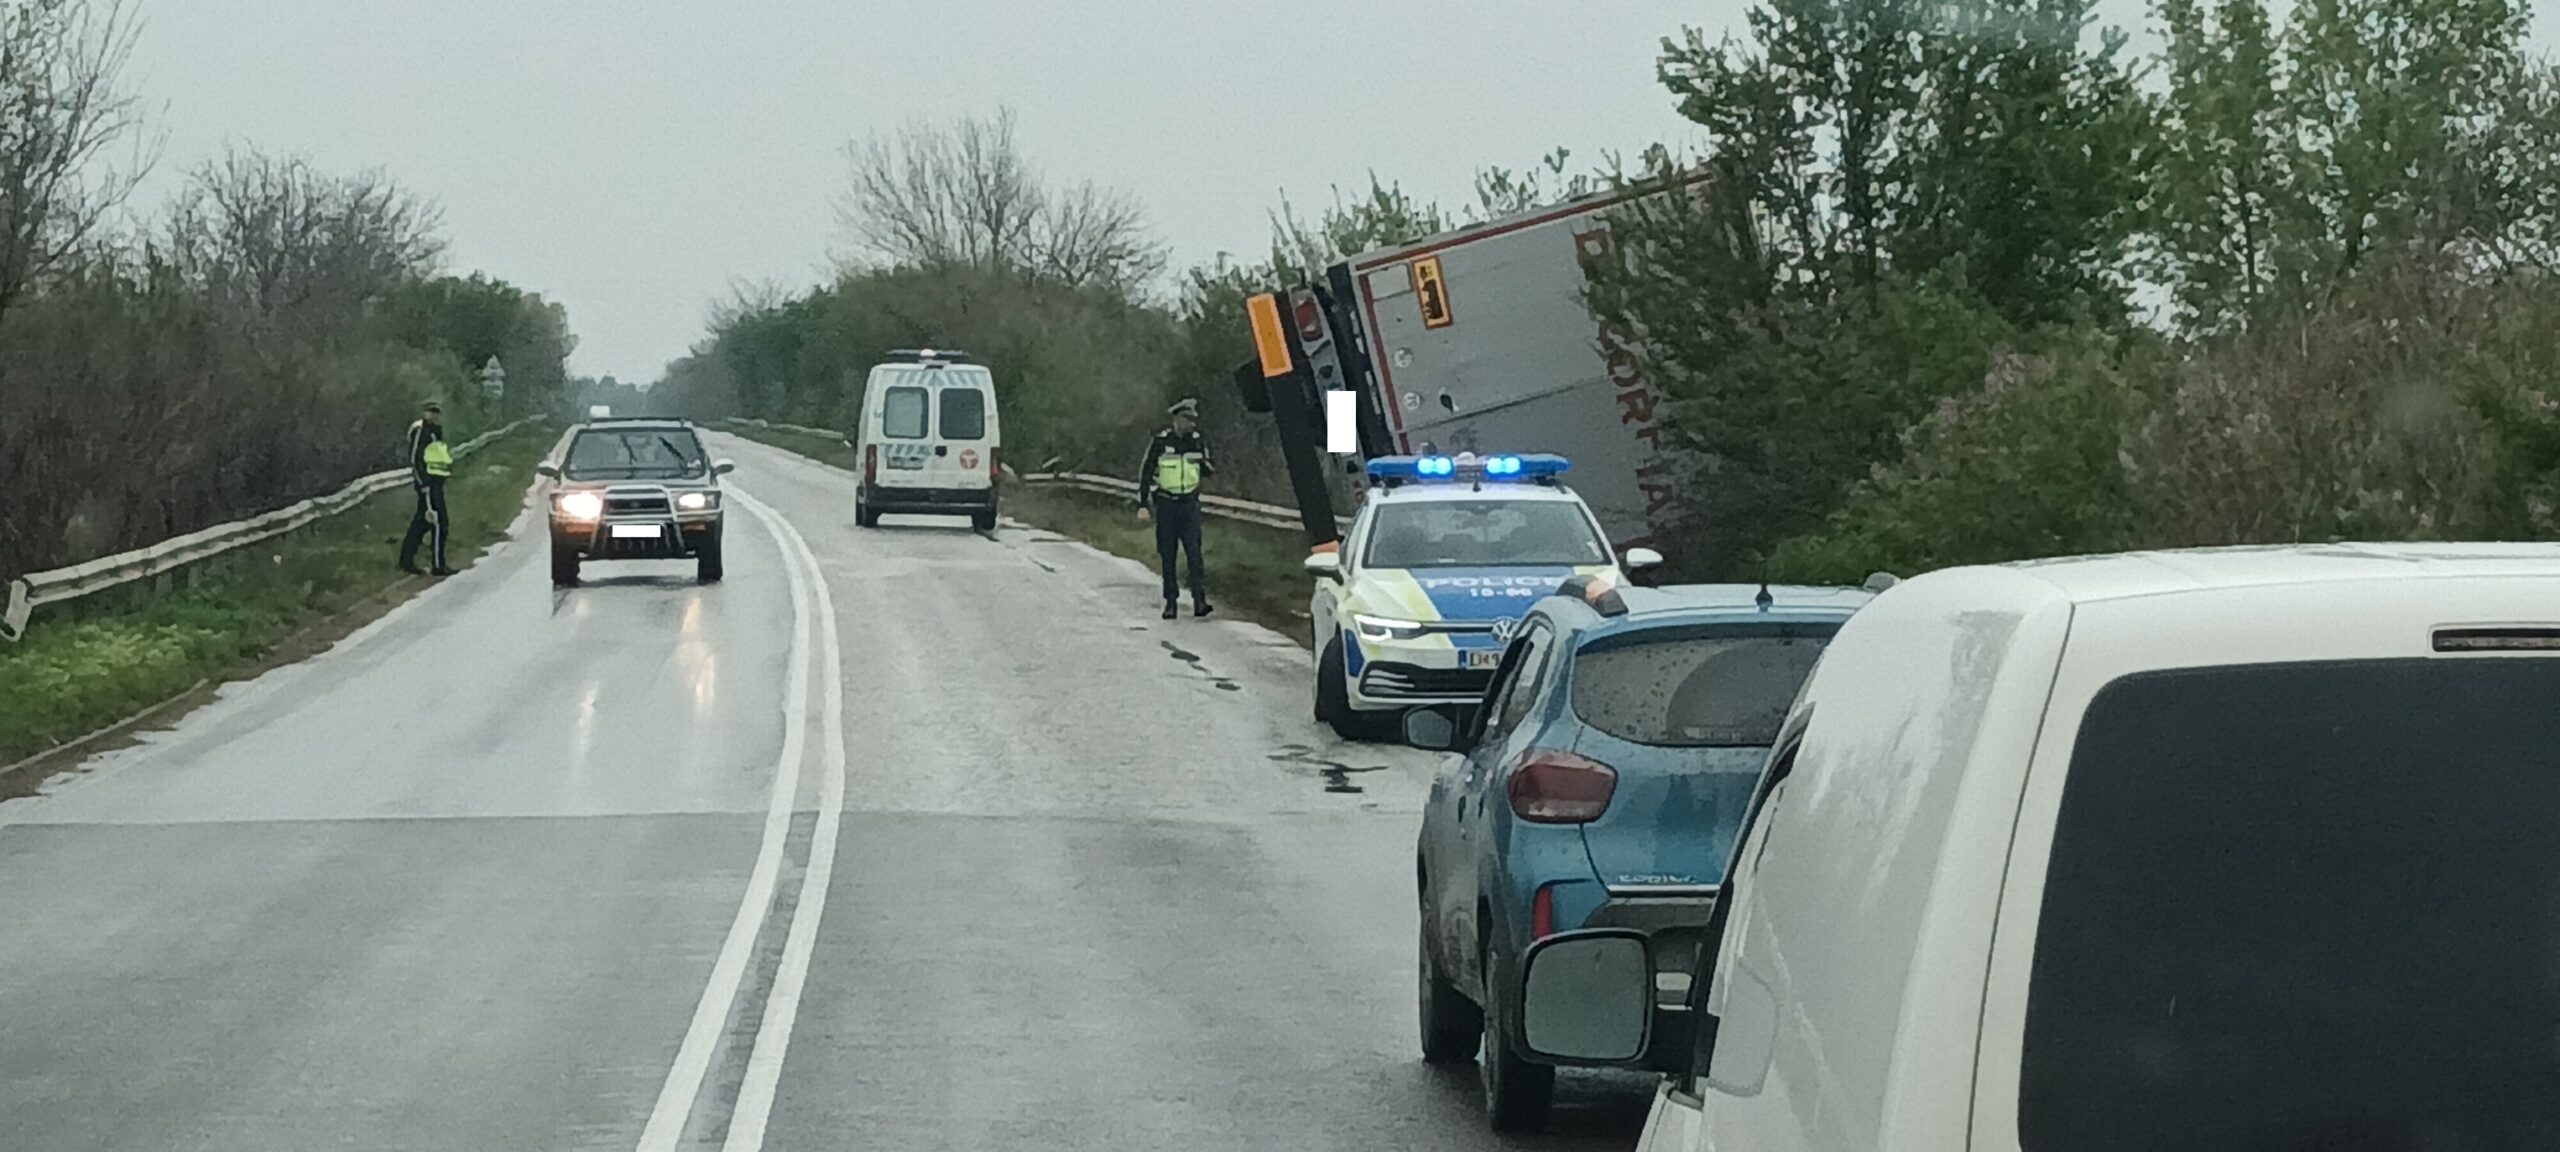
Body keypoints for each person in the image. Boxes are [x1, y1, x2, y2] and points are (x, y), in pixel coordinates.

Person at [1136, 397, 1215, 620]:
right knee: (1168, 555)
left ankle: (1200, 600)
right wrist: (1143, 503)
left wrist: (1204, 462)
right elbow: (1147, 472)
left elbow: (1210, 469)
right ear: (1177, 419)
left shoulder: (1198, 441)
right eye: (1187, 419)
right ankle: (1171, 602)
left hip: (1189, 504)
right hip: (1166, 505)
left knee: (1194, 554)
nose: (1192, 424)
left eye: (1193, 420)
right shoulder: (1161, 441)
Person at [398, 402, 457, 576]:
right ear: (425, 413)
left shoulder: (436, 432)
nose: (434, 416)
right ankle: (438, 565)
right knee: (439, 523)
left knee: (421, 523)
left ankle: (406, 560)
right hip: (428, 485)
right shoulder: (420, 430)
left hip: (436, 482)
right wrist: (422, 483)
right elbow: (416, 458)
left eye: (437, 413)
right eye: (431, 412)